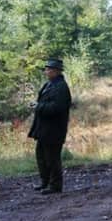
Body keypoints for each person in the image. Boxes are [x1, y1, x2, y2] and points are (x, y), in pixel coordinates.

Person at [28, 58, 72, 195]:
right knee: (41, 156)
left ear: (56, 71)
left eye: (48, 69)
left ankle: (55, 186)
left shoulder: (61, 87)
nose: (46, 71)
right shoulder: (49, 84)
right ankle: (45, 182)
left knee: (52, 158)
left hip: (54, 129)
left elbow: (57, 108)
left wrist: (38, 106)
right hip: (44, 128)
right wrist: (37, 106)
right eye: (46, 69)